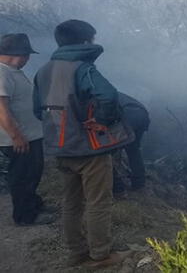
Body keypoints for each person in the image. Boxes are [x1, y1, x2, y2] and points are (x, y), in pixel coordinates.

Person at [33, 20, 131, 268]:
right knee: (99, 201)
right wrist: (102, 120)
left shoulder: (43, 71)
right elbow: (108, 96)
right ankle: (100, 255)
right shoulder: (82, 68)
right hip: (88, 149)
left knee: (71, 201)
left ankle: (75, 252)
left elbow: (38, 110)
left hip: (60, 147)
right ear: (86, 41)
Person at [0, 33, 53, 226]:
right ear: (19, 54)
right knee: (22, 177)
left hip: (29, 135)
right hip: (18, 139)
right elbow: (1, 109)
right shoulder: (1, 72)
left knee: (33, 173)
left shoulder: (11, 70)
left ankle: (33, 205)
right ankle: (24, 217)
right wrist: (16, 136)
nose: (27, 59)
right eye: (27, 55)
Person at [112, 92, 149, 195]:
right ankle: (139, 183)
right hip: (142, 114)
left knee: (108, 151)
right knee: (133, 149)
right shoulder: (110, 91)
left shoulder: (96, 95)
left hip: (128, 115)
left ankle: (117, 188)